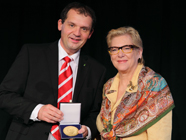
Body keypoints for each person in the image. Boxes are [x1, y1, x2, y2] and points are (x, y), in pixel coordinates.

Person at [0, 2, 106, 140]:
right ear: (60, 24)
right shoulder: (31, 54)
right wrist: (37, 111)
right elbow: (4, 95)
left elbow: (95, 113)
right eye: (72, 25)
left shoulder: (97, 70)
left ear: (90, 33)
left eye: (84, 29)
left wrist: (88, 130)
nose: (77, 33)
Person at [96, 26, 175, 140]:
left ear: (139, 52)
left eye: (127, 48)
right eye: (114, 49)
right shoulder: (108, 86)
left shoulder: (154, 85)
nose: (120, 54)